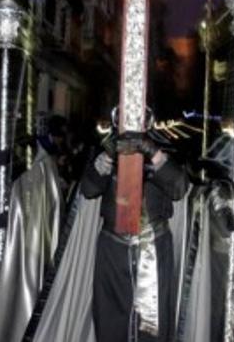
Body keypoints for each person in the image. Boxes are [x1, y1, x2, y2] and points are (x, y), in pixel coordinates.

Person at [81, 131, 188, 342]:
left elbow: (179, 187)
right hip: (113, 248)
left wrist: (152, 152)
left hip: (153, 246)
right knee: (110, 319)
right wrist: (108, 156)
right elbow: (89, 189)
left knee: (152, 324)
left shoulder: (163, 145)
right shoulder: (110, 146)